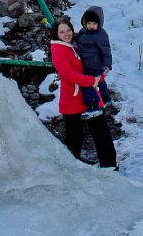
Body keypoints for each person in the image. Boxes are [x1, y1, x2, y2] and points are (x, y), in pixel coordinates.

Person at [50, 16, 117, 168]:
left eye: (68, 30)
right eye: (62, 32)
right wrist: (90, 81)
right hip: (72, 101)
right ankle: (70, 169)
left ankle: (110, 165)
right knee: (75, 137)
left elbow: (90, 62)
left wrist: (99, 74)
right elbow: (67, 74)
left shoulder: (74, 45)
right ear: (56, 34)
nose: (66, 34)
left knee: (101, 131)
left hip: (88, 97)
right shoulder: (59, 50)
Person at [76, 7, 112, 119]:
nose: (91, 26)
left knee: (87, 84)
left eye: (94, 23)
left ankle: (94, 107)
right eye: (89, 23)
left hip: (95, 64)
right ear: (84, 23)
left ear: (99, 23)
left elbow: (106, 50)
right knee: (100, 81)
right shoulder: (83, 31)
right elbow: (78, 38)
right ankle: (106, 98)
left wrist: (107, 64)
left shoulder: (101, 34)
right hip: (88, 63)